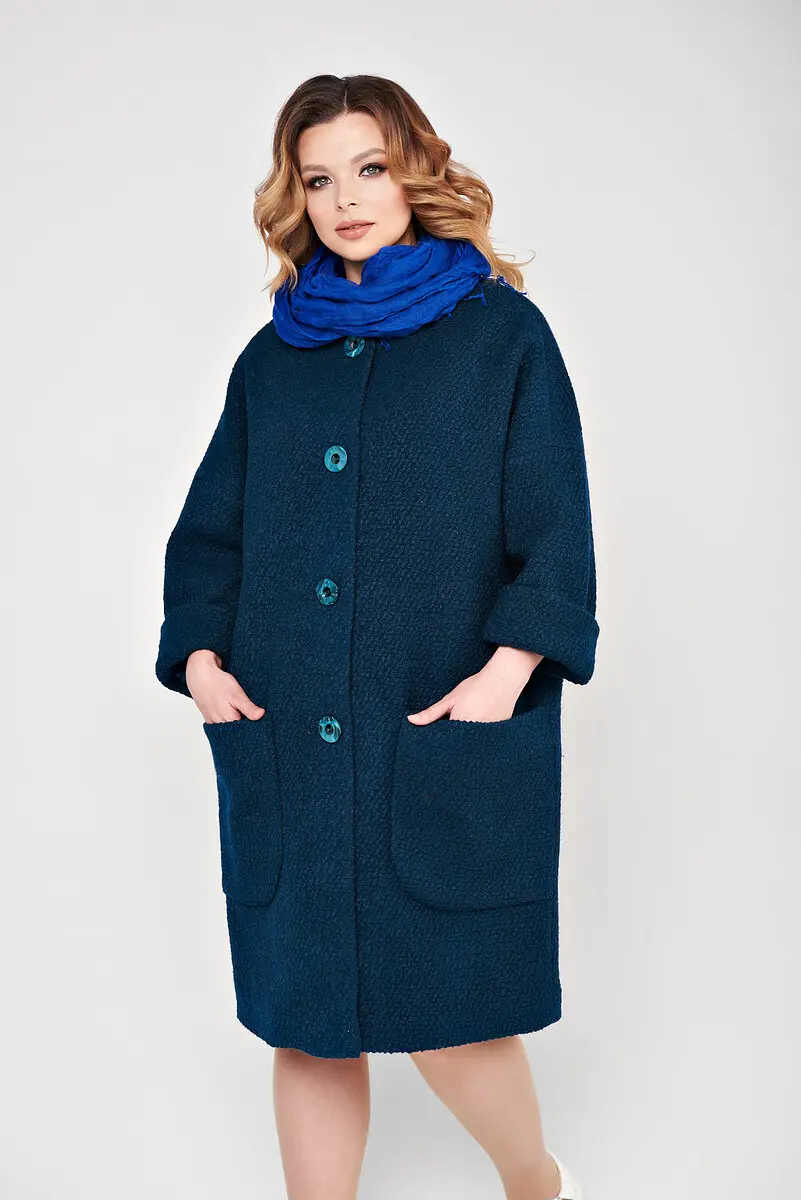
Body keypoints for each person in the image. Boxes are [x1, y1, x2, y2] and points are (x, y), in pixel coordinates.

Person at [155, 73, 599, 1200]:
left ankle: (535, 1182)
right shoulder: (272, 360)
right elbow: (211, 535)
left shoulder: (500, 336)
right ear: (294, 196)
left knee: (455, 1022)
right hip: (289, 741)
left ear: (415, 173)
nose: (345, 199)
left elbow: (555, 531)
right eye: (318, 179)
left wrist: (505, 676)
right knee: (306, 1026)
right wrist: (200, 662)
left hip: (436, 727)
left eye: (368, 169)